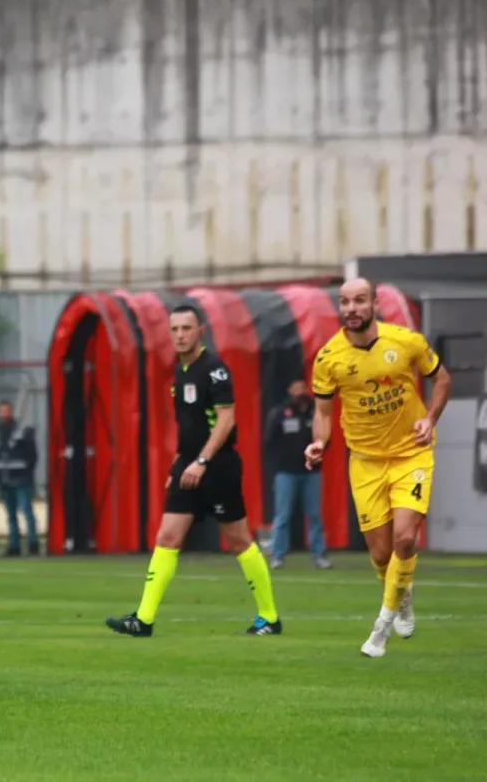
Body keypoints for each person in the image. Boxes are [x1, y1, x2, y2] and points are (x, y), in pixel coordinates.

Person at [106, 305, 282, 637]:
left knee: (238, 541)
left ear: (200, 331)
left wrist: (201, 462)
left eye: (186, 328)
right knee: (167, 537)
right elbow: (189, 426)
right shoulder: (180, 371)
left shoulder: (214, 370)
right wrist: (178, 464)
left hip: (218, 468)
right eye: (174, 329)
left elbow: (226, 420)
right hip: (188, 467)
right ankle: (143, 619)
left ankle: (269, 617)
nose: (180, 335)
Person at [306, 277, 452, 658]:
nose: (352, 308)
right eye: (344, 302)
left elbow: (441, 379)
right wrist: (319, 442)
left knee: (405, 538)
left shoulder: (405, 341)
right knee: (381, 555)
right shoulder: (328, 358)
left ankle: (381, 628)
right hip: (366, 462)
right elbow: (323, 413)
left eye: (359, 300)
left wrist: (430, 418)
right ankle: (402, 594)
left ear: (374, 304)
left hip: (411, 455)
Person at [264, 380, 331, 569]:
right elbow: (268, 441)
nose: (300, 392)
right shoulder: (279, 413)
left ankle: (318, 555)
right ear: (289, 390)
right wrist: (278, 463)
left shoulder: (314, 412)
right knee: (282, 515)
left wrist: (318, 452)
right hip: (285, 472)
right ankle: (278, 555)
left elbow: (326, 438)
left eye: (303, 388)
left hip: (311, 472)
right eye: (296, 388)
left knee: (314, 515)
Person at [0, 400, 40, 556]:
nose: (3, 414)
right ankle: (14, 546)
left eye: (5, 411)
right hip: (4, 480)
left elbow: (32, 455)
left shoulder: (22, 431)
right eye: (1, 411)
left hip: (21, 479)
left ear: (11, 412)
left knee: (27, 512)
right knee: (11, 515)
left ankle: (33, 545)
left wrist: (27, 474)